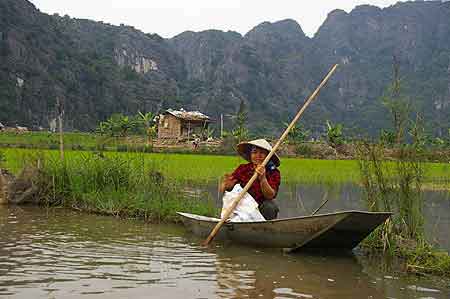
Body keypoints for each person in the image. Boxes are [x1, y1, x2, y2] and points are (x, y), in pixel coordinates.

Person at [220, 139, 281, 220]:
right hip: (242, 204)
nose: (258, 156)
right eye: (254, 152)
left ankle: (265, 228)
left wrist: (263, 179)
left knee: (270, 206)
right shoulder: (243, 169)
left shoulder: (273, 172)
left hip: (260, 207)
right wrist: (226, 185)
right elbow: (226, 189)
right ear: (250, 154)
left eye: (262, 153)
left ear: (267, 156)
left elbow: (270, 195)